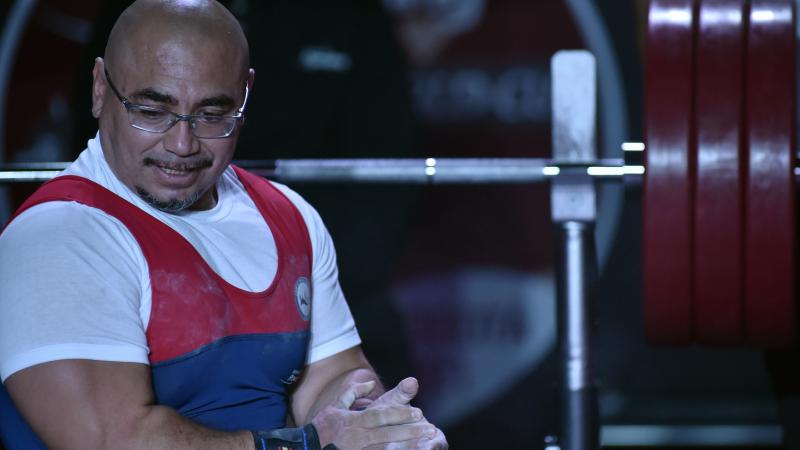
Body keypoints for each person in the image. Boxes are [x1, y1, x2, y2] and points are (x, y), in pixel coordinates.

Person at [0, 1, 447, 449]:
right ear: (100, 89)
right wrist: (309, 442)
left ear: (245, 93)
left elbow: (334, 376)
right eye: (152, 112)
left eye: (213, 115)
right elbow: (116, 440)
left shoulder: (290, 217)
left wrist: (376, 427)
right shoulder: (57, 236)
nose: (181, 144)